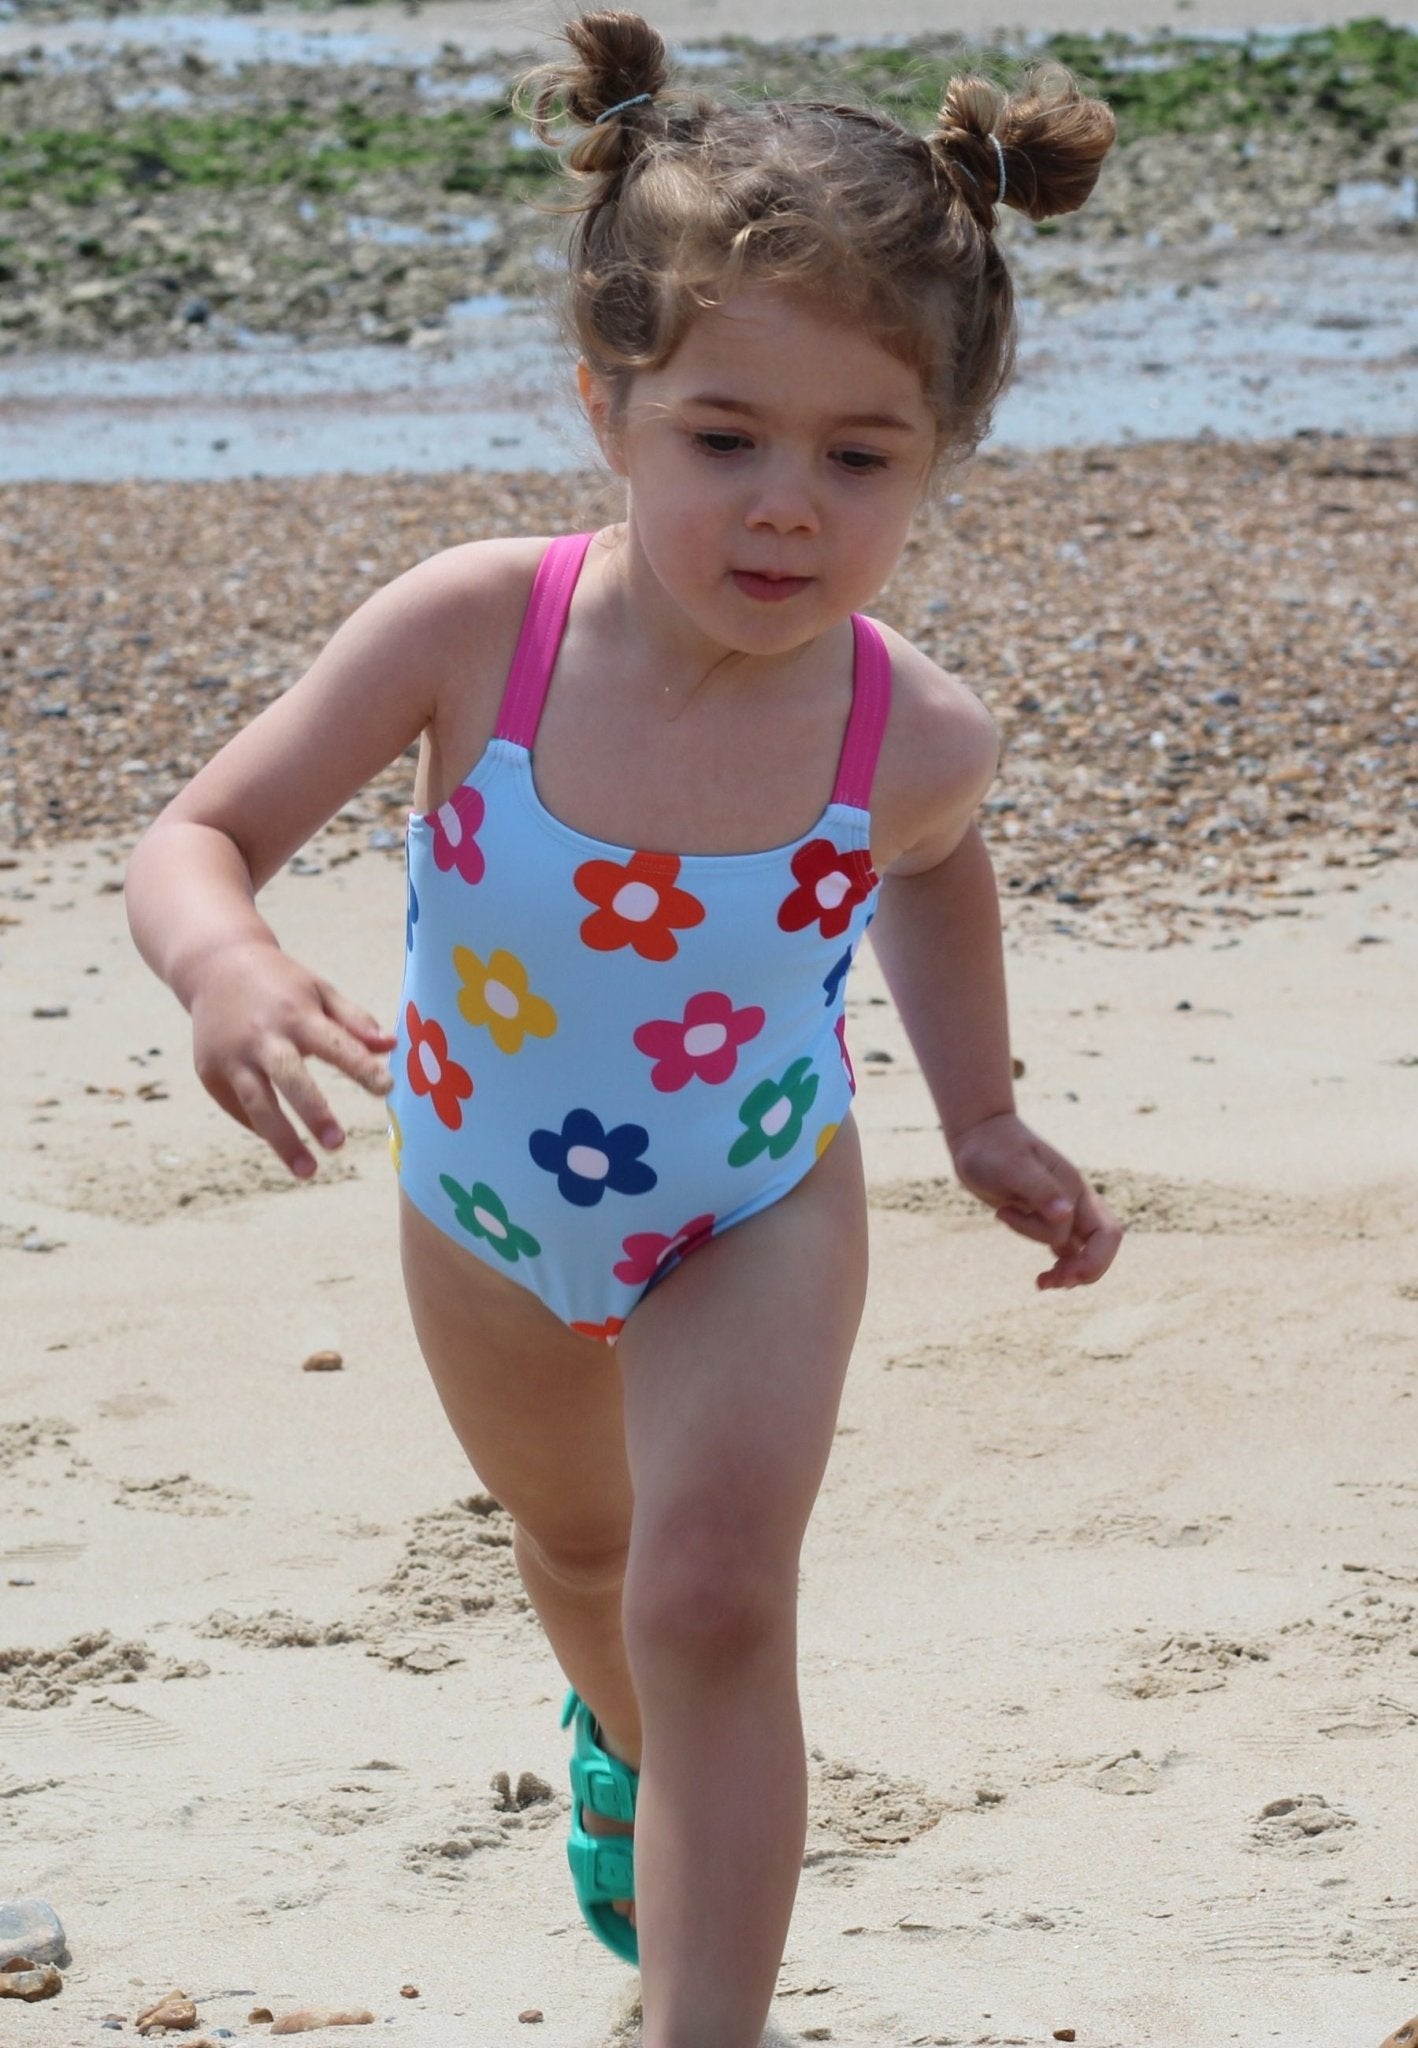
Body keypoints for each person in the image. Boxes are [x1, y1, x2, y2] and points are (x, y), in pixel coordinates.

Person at [126, 12, 1122, 2044]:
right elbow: (202, 831)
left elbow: (925, 867)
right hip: (479, 1199)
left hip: (750, 1196)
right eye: (723, 436)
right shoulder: (472, 628)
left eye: (860, 458)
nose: (786, 506)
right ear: (611, 404)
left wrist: (983, 1112)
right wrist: (225, 960)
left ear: (938, 456)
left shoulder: (902, 727)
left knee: (709, 1597)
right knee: (583, 1560)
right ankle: (616, 1741)